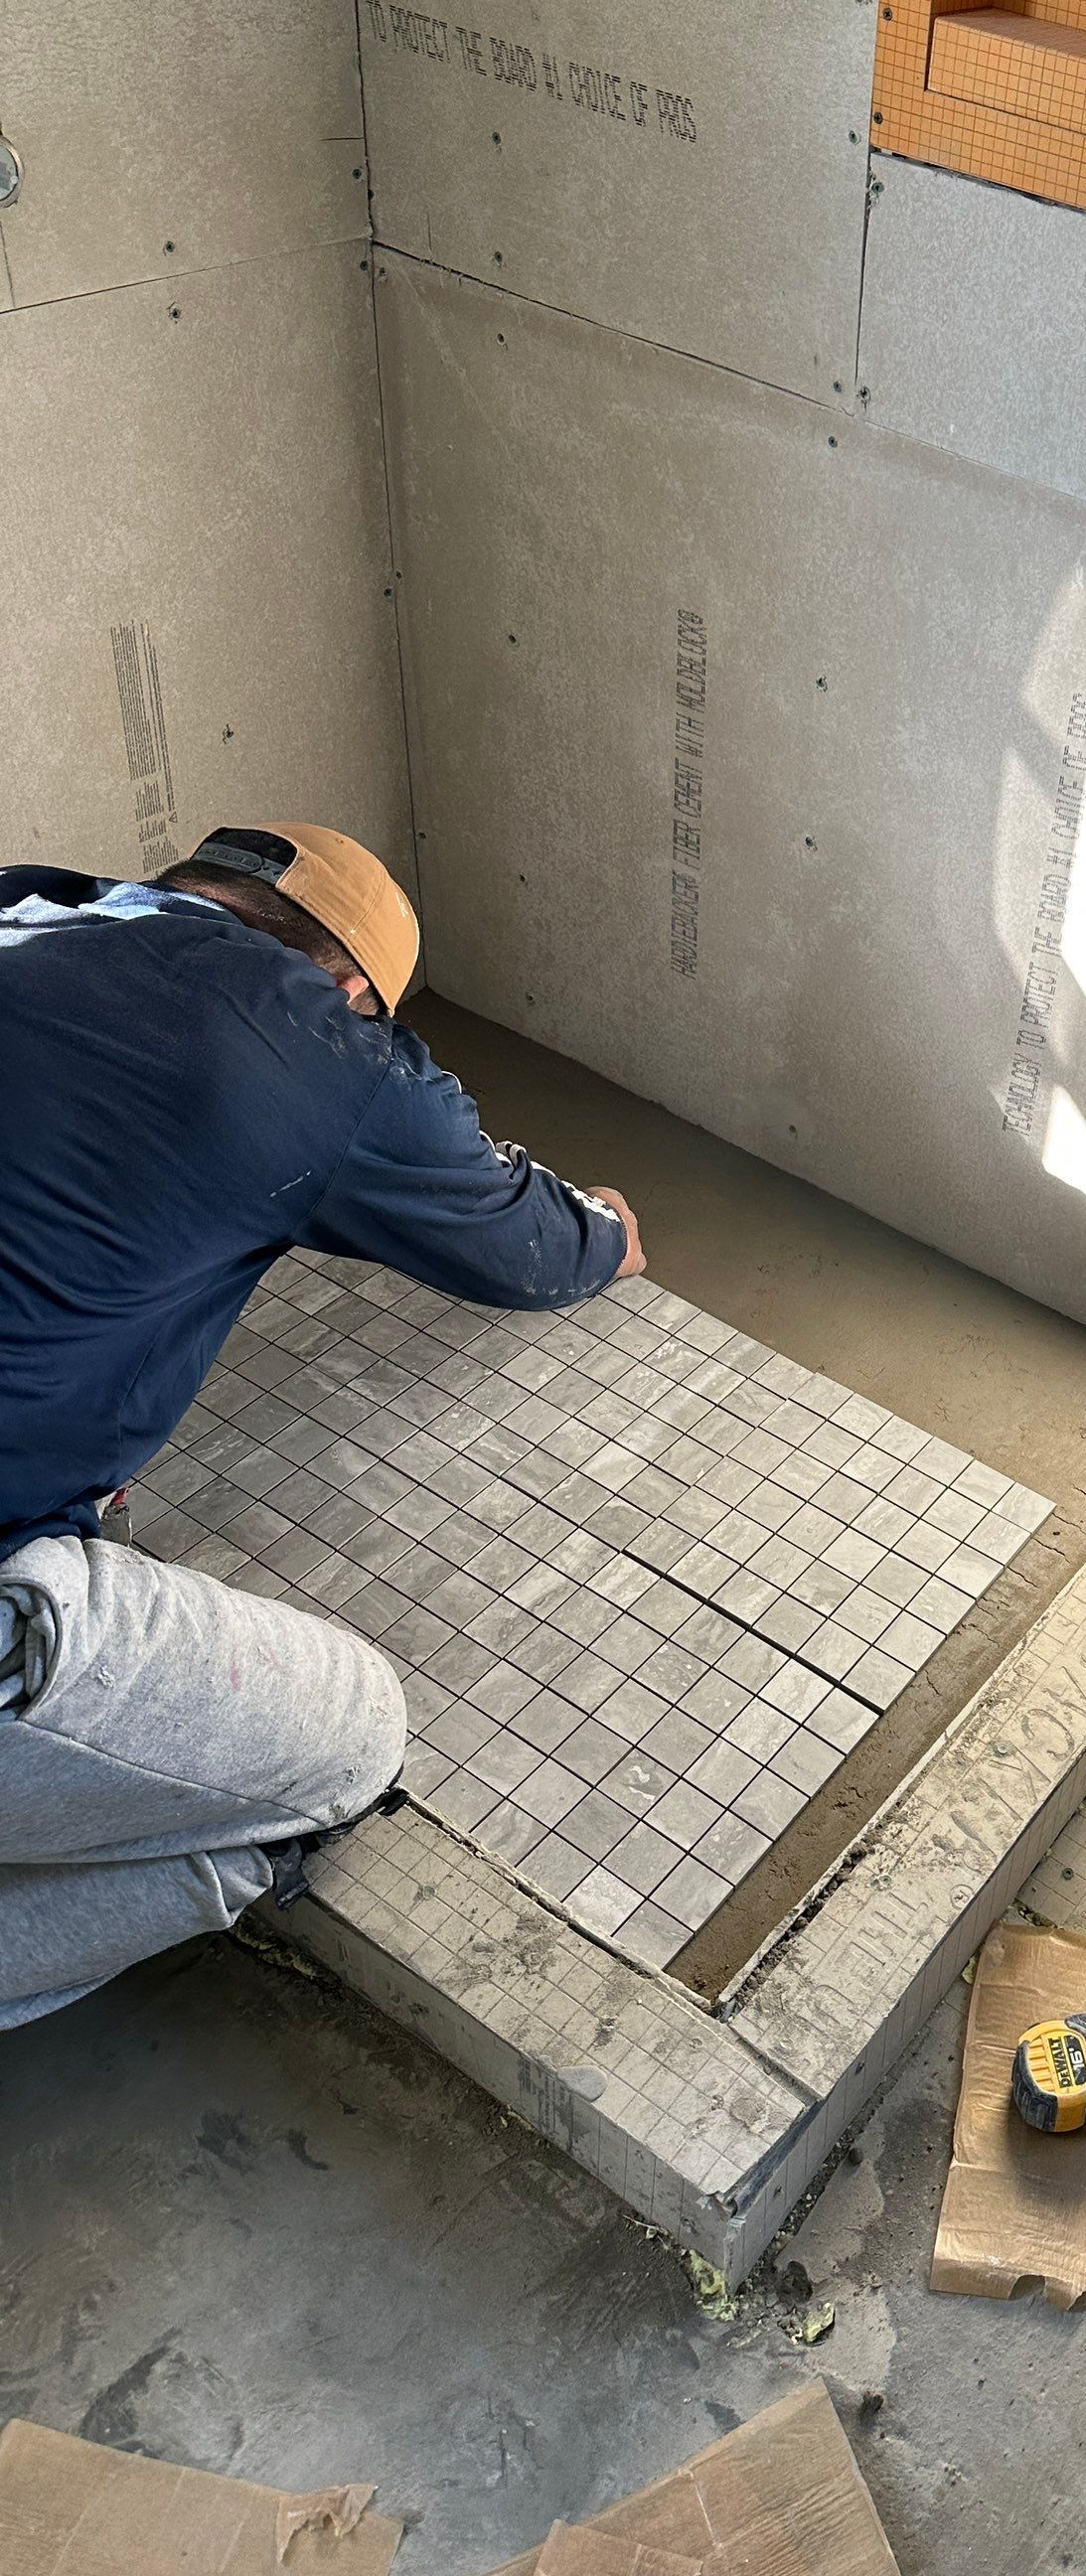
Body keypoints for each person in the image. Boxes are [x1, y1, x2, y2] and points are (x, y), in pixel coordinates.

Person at [0, 822, 644, 2028]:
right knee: (344, 1748)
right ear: (353, 990)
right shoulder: (328, 1053)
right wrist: (606, 1225)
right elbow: (536, 1246)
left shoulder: (31, 913)